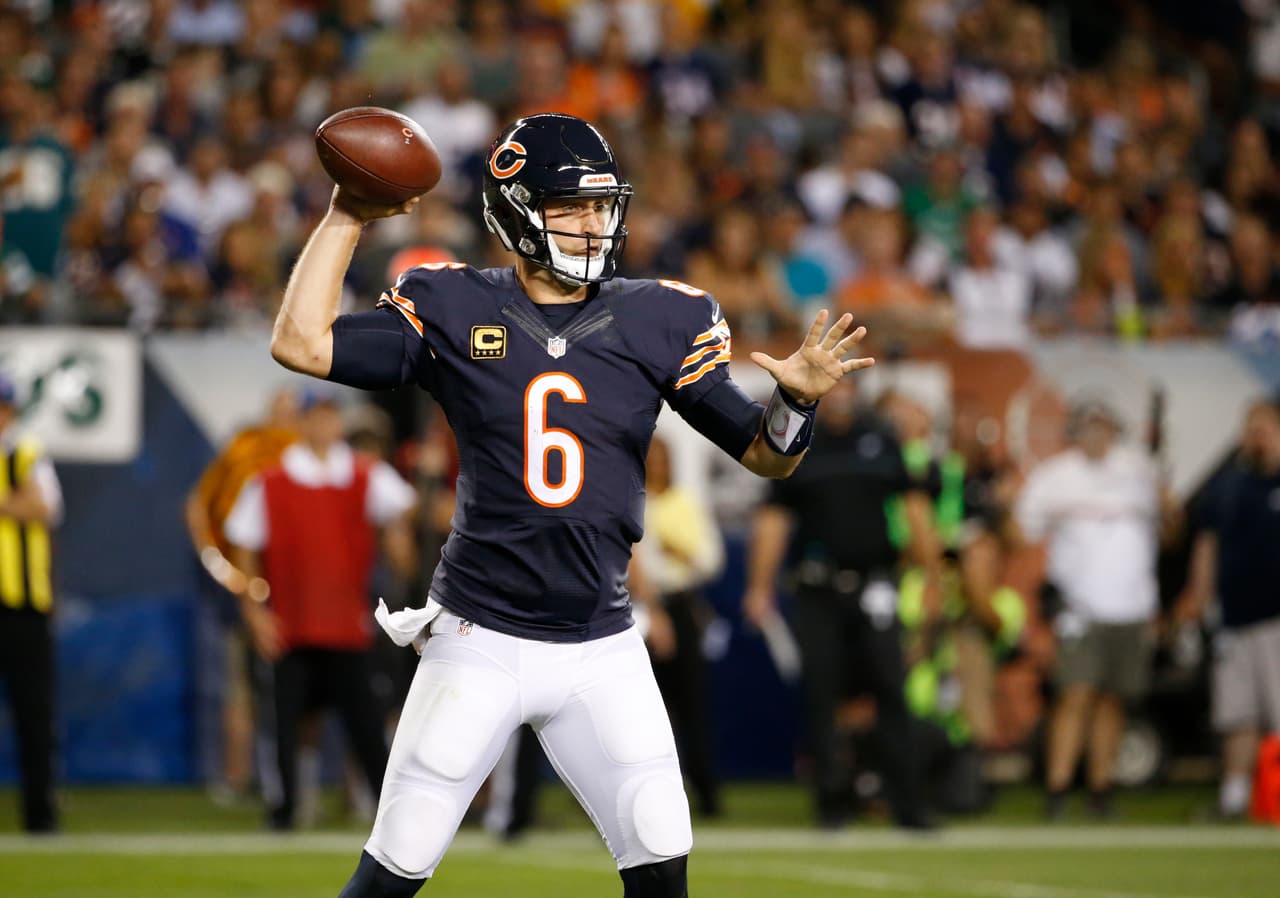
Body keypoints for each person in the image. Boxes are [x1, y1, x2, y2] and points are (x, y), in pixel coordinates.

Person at [267, 112, 873, 897]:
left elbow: (766, 455)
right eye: (570, 206)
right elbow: (302, 344)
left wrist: (796, 402)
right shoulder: (451, 305)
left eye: (601, 205)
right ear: (517, 209)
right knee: (394, 869)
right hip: (478, 637)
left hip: (602, 643)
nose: (593, 224)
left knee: (661, 856)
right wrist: (347, 214)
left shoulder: (661, 316)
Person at [743, 376, 940, 830]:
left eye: (847, 385)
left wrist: (931, 579)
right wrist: (758, 586)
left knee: (892, 692)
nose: (842, 395)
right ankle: (832, 802)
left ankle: (907, 802)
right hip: (818, 589)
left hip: (876, 587)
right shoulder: (798, 442)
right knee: (821, 695)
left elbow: (914, 508)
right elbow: (773, 518)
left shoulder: (881, 439)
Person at [223, 387, 418, 830]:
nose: (325, 426)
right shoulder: (270, 482)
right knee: (286, 728)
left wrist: (399, 548)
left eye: (332, 417)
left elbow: (400, 514)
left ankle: (390, 815)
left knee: (368, 729)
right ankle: (285, 811)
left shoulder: (364, 474)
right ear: (304, 423)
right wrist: (256, 611)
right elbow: (245, 547)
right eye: (318, 417)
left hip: (348, 628)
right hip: (291, 628)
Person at [1015, 399, 1159, 819]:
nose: (1096, 435)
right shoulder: (1055, 476)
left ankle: (1101, 789)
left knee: (1113, 700)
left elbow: (1167, 531)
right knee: (1075, 695)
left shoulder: (1140, 471)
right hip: (1081, 608)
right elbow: (1022, 529)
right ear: (1076, 431)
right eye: (1088, 427)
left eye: (1103, 427)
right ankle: (1058, 790)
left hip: (1132, 607)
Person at [185, 386, 299, 801]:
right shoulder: (246, 448)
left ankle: (285, 781)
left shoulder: (307, 459)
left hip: (294, 591)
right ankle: (239, 777)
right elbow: (199, 505)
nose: (286, 419)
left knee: (292, 688)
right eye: (281, 410)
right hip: (250, 585)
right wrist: (220, 566)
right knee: (242, 686)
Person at [1176, 395, 1280, 819]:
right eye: (1249, 427)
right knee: (1238, 714)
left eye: (1264, 428)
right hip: (1235, 617)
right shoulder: (1229, 485)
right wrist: (1198, 594)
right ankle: (1234, 798)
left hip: (1278, 620)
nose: (1254, 437)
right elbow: (1207, 542)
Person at [0, 373, 64, 833]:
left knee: (33, 714)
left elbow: (43, 509)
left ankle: (40, 814)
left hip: (23, 604)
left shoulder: (26, 453)